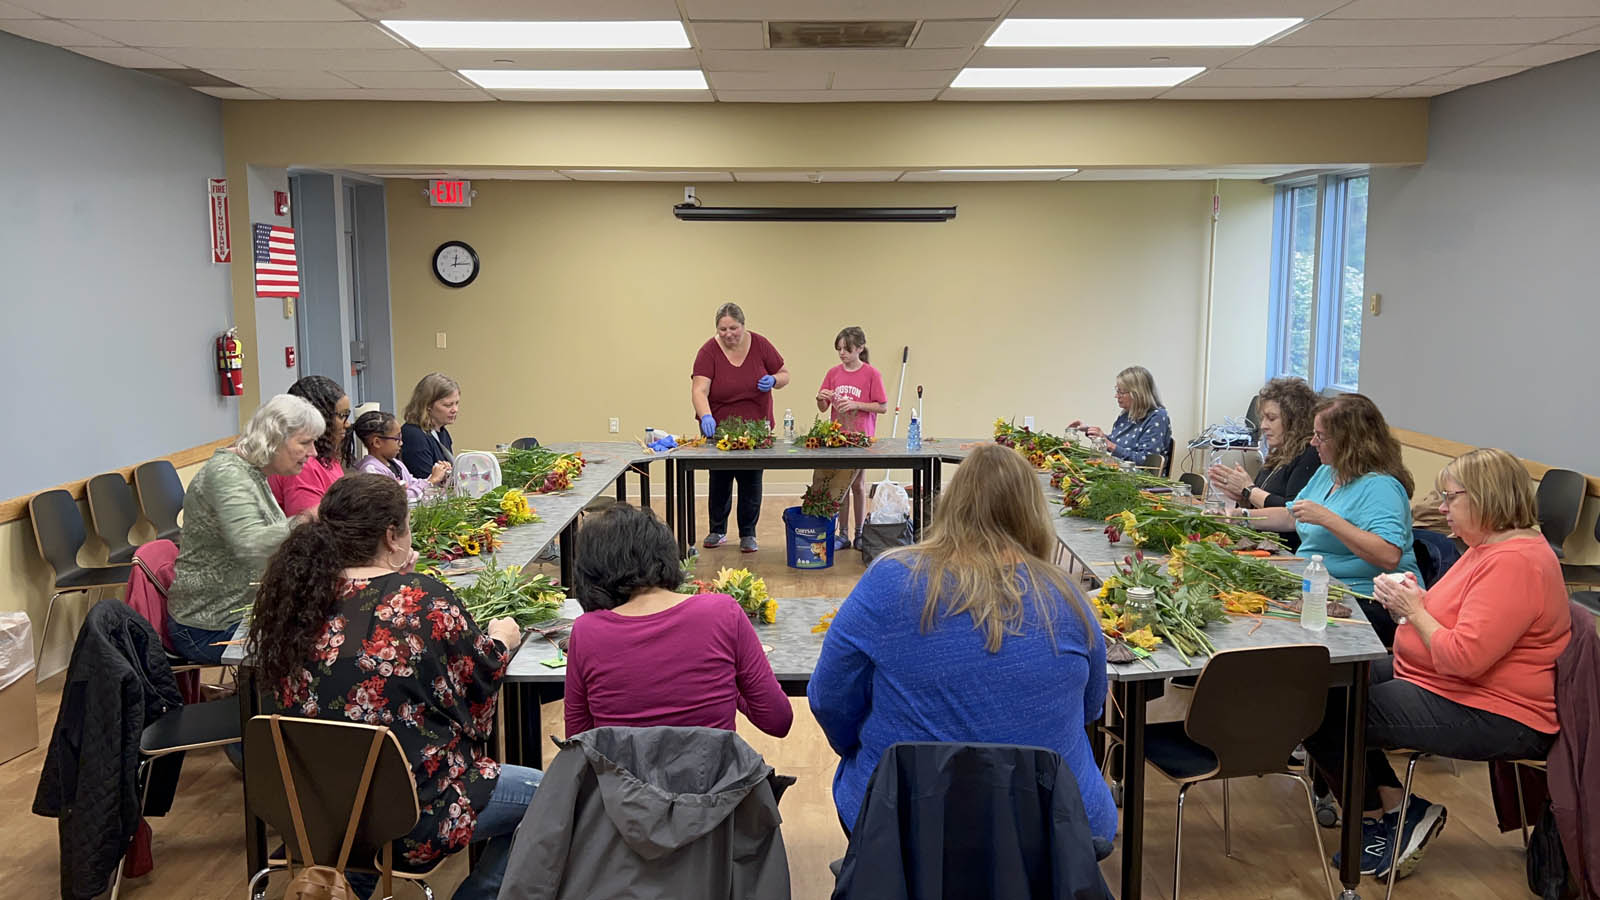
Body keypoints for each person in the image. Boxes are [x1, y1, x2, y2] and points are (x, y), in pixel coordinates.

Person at [807, 443, 1115, 841]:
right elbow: (1091, 709)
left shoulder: (890, 580)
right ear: (1035, 515)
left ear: (952, 504)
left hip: (905, 828)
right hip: (1053, 835)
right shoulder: (1070, 597)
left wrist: (861, 746)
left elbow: (828, 697)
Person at [250, 474, 536, 900]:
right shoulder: (423, 599)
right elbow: (477, 679)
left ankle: (358, 879)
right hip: (413, 817)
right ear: (391, 535)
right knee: (558, 796)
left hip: (315, 815)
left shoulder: (292, 601)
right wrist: (502, 641)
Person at [1303, 448, 1571, 881]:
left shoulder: (1515, 562)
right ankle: (1399, 812)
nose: (1441, 508)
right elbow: (1458, 620)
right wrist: (1409, 603)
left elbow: (1463, 657)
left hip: (1497, 710)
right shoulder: (1487, 545)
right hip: (1445, 681)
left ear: (1485, 497)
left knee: (1327, 712)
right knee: (1321, 689)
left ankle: (1381, 819)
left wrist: (1415, 609)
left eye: (1450, 498)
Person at [564, 504, 792, 738]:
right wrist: (728, 685)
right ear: (666, 554)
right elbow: (777, 721)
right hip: (715, 774)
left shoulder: (587, 631)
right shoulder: (723, 612)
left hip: (619, 774)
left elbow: (578, 740)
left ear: (590, 572)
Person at [1238, 392, 1420, 644]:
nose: (1313, 443)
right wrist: (1240, 516)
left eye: (1320, 436)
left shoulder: (1381, 487)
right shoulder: (1329, 471)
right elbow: (1292, 517)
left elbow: (1389, 555)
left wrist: (1327, 518)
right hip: (1321, 588)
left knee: (1267, 631)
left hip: (1367, 601)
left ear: (1348, 442)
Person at [166, 394, 322, 664]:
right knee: (319, 651)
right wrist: (307, 519)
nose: (313, 453)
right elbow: (250, 545)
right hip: (209, 627)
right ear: (274, 439)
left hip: (239, 613)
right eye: (305, 443)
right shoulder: (227, 474)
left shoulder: (252, 472)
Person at [690, 302, 789, 552]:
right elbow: (699, 390)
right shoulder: (708, 351)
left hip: (756, 429)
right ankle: (718, 529)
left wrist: (774, 380)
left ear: (743, 326)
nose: (728, 334)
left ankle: (748, 533)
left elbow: (785, 374)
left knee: (751, 481)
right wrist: (706, 417)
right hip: (720, 428)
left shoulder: (761, 344)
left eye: (733, 328)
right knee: (719, 480)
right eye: (722, 329)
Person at [1207, 376, 1323, 550]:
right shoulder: (1278, 453)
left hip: (1286, 551)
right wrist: (1243, 498)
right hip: (1263, 545)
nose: (1263, 426)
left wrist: (1249, 491)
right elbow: (1262, 504)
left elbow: (1290, 513)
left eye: (1271, 418)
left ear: (1295, 420)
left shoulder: (1310, 454)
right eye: (1262, 418)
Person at [816, 326, 888, 550]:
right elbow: (822, 406)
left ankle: (859, 533)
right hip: (838, 437)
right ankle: (842, 534)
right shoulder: (833, 373)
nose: (842, 353)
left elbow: (882, 406)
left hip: (861, 438)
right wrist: (820, 397)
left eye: (846, 349)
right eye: (839, 349)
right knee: (841, 486)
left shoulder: (871, 374)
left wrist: (857, 404)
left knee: (857, 484)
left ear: (860, 348)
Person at [268, 375, 349, 517]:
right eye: (342, 416)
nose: (347, 424)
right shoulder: (302, 464)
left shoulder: (326, 457)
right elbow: (308, 530)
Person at [1070, 365, 1172, 465]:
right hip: (1120, 472)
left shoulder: (1157, 417)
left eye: (1121, 392)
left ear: (1137, 393)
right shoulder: (1126, 415)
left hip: (1138, 478)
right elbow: (1118, 446)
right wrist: (1095, 433)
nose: (1116, 396)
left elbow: (1147, 461)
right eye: (1117, 390)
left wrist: (1109, 445)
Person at [352, 410, 447, 502]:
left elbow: (413, 484)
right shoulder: (371, 471)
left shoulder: (397, 463)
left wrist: (439, 478)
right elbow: (399, 500)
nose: (401, 443)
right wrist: (431, 481)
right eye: (397, 438)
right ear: (377, 442)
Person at [400, 372, 459, 483]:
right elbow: (425, 481)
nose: (455, 409)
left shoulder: (442, 432)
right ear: (427, 406)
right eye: (448, 405)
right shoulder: (414, 435)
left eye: (456, 403)